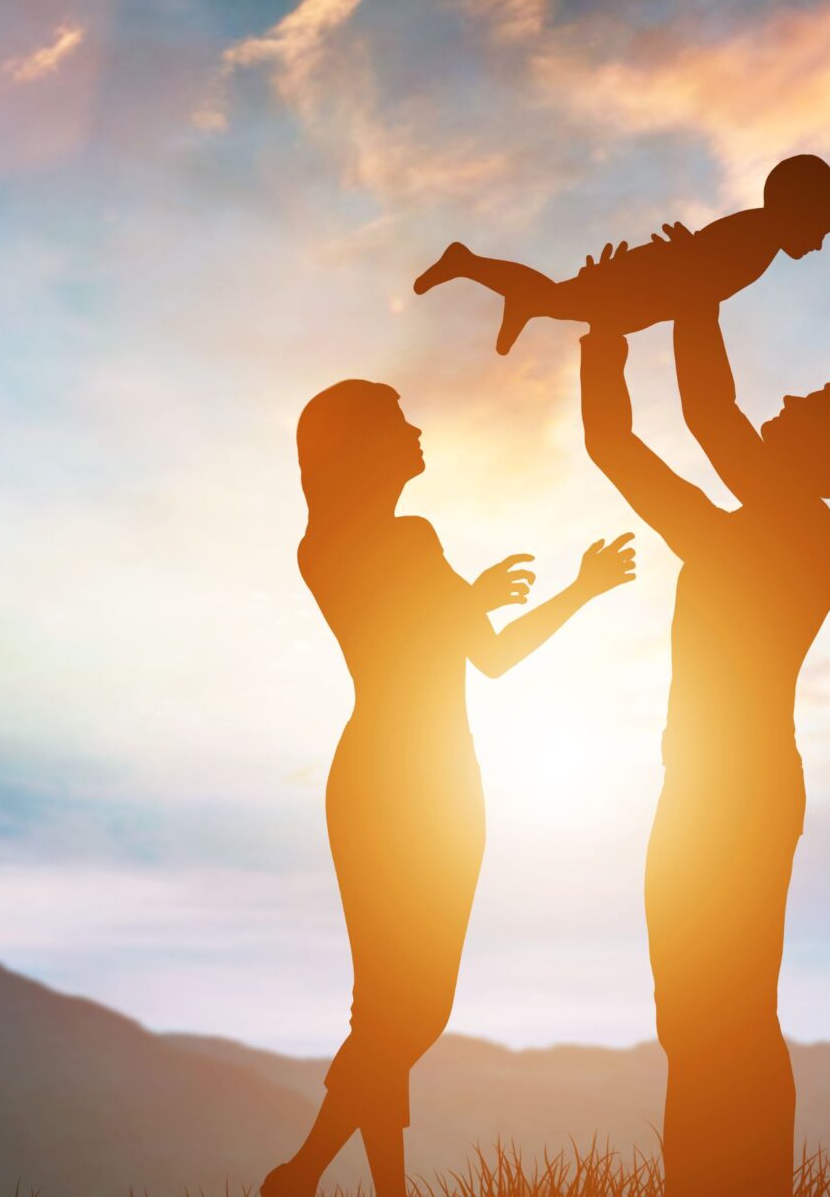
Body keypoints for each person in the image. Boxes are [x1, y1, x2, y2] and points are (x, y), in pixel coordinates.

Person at [264, 379, 637, 1197]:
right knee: (408, 1007)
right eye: (398, 420)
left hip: (425, 776)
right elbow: (429, 645)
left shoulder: (370, 542)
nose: (417, 428)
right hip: (406, 779)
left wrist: (579, 588)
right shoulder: (370, 542)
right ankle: (301, 1173)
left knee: (399, 1007)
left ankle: (317, 1179)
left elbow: (486, 654)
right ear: (359, 444)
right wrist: (493, 597)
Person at [576, 309, 830, 1197]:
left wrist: (694, 298)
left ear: (818, 454)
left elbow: (701, 417)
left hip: (733, 793)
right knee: (698, 1016)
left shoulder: (790, 529)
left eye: (805, 403)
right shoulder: (760, 525)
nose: (781, 401)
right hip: (715, 787)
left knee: (726, 1016)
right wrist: (611, 335)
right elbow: (621, 444)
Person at [412, 137, 830, 354]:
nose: (819, 244)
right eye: (819, 231)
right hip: (651, 281)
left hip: (657, 288)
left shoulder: (766, 232)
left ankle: (507, 290)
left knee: (565, 305)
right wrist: (685, 272)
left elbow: (826, 198)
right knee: (566, 303)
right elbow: (701, 267)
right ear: (796, 214)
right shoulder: (759, 232)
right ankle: (471, 264)